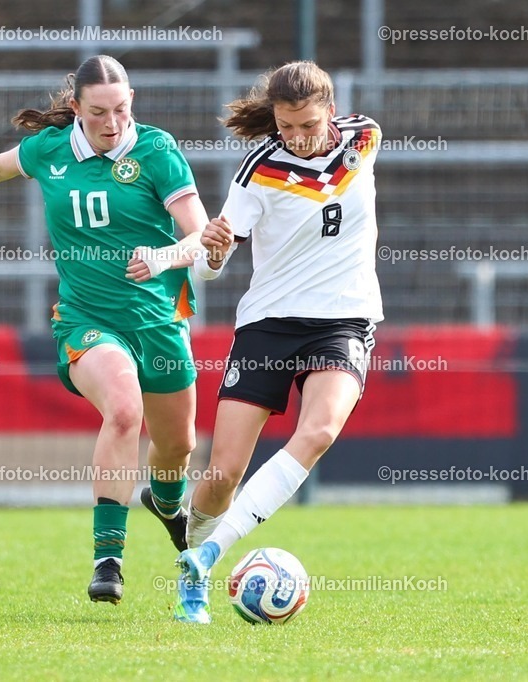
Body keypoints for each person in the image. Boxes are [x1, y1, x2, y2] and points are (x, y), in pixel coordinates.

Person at [0, 55, 212, 605]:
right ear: (76, 107)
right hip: (87, 319)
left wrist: (167, 256)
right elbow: (0, 167)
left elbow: (204, 234)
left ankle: (167, 503)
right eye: (99, 112)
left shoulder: (157, 151)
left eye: (121, 109)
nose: (113, 122)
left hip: (160, 321)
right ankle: (108, 560)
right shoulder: (50, 149)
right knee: (124, 410)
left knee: (178, 446)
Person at [171, 61, 384, 623]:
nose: (297, 138)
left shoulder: (365, 137)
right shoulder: (259, 169)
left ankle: (206, 562)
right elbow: (212, 270)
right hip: (269, 323)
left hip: (344, 321)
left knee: (317, 431)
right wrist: (213, 251)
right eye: (286, 127)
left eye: (308, 125)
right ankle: (191, 548)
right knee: (221, 477)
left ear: (331, 111)